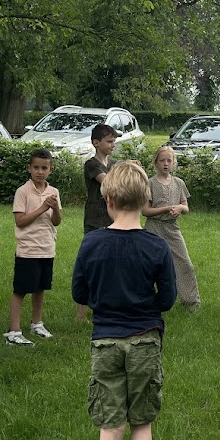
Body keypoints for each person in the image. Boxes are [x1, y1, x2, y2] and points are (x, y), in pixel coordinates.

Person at [72, 161, 177, 440]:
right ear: (145, 198)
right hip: (145, 341)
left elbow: (79, 292)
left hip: (105, 342)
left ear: (110, 200)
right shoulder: (156, 246)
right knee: (142, 423)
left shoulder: (91, 242)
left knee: (110, 427)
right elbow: (166, 299)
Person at [7, 150, 63, 345]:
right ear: (29, 169)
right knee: (21, 289)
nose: (40, 172)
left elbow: (56, 221)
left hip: (47, 247)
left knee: (40, 288)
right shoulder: (23, 192)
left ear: (51, 170)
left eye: (44, 168)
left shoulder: (53, 192)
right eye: (36, 167)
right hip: (28, 249)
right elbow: (20, 221)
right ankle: (14, 331)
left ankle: (36, 323)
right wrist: (42, 208)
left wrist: (55, 208)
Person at [144, 146, 199, 309]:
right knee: (151, 265)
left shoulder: (179, 183)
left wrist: (180, 208)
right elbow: (145, 211)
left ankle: (190, 301)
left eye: (169, 160)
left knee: (184, 263)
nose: (166, 164)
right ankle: (147, 300)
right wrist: (166, 209)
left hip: (172, 228)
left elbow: (186, 207)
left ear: (174, 163)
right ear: (156, 163)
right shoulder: (150, 183)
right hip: (154, 227)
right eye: (162, 161)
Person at [77, 124, 119, 322]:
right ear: (96, 143)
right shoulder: (91, 165)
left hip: (112, 220)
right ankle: (81, 313)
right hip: (94, 221)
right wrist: (128, 170)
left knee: (110, 266)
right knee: (91, 265)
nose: (113, 144)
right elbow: (110, 182)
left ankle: (105, 307)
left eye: (114, 141)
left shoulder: (115, 164)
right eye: (109, 141)